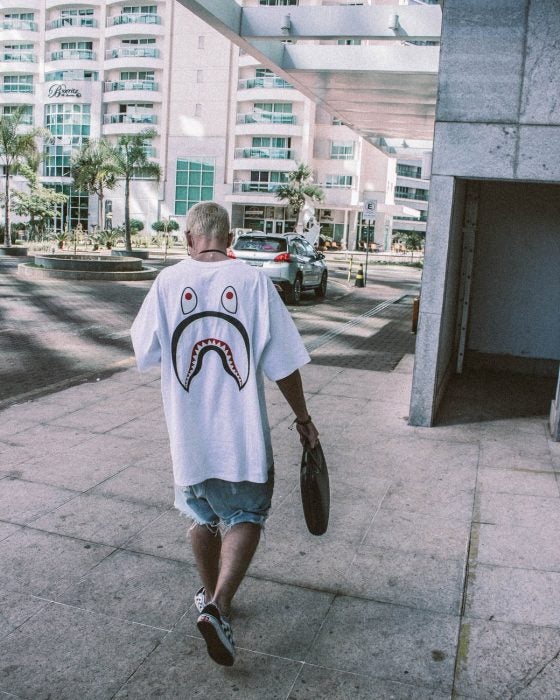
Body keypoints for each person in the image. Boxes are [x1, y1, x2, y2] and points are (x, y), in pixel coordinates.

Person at [130, 201, 318, 667]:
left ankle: (212, 598)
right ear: (229, 239)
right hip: (241, 439)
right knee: (247, 515)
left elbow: (145, 349)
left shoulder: (167, 281)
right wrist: (303, 419)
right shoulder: (254, 283)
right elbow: (284, 365)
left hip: (188, 438)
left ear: (188, 239)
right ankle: (218, 604)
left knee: (202, 517)